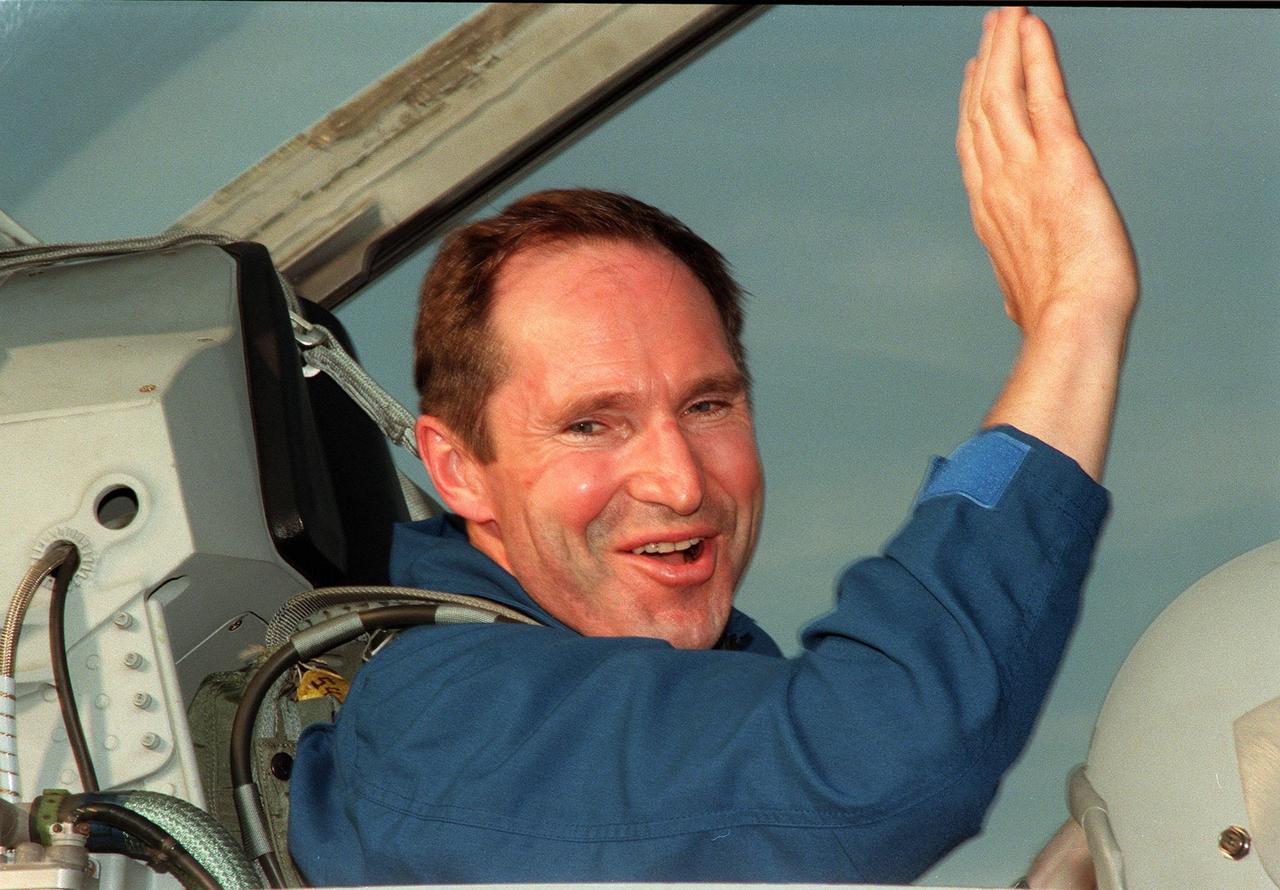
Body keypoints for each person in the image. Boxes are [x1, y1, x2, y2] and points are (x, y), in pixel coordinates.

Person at [289, 6, 1138, 885]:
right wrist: (1074, 318)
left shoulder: (689, 718)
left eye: (706, 406)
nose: (680, 482)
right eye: (592, 424)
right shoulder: (448, 724)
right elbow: (874, 769)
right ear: (457, 469)